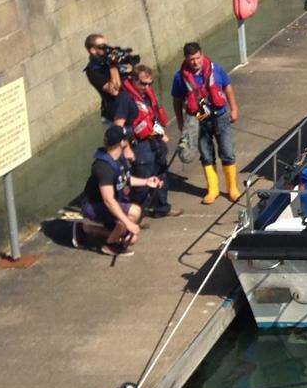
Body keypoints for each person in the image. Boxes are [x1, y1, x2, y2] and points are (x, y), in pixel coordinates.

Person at [171, 42, 241, 204]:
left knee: (227, 151)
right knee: (206, 154)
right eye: (191, 59)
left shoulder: (217, 69)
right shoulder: (179, 77)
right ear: (186, 59)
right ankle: (213, 189)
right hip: (198, 120)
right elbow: (177, 101)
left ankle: (232, 188)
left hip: (220, 116)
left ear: (202, 55)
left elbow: (227, 88)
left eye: (197, 58)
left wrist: (234, 108)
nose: (195, 62)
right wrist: (181, 123)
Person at [78, 125, 159, 256]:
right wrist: (128, 223)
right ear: (121, 142)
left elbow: (125, 179)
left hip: (109, 204)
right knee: (134, 211)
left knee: (131, 239)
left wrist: (147, 182)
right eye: (126, 138)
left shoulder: (118, 158)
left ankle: (86, 229)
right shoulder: (103, 167)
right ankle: (110, 245)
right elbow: (108, 200)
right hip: (94, 205)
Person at [122, 64, 180, 217]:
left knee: (161, 174)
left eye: (149, 83)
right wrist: (126, 147)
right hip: (139, 145)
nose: (146, 87)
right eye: (143, 83)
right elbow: (122, 127)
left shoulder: (146, 94)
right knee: (142, 181)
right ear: (134, 80)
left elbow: (152, 116)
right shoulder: (125, 99)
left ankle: (162, 208)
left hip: (154, 140)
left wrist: (161, 133)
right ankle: (135, 214)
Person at [83, 33, 122, 124]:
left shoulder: (108, 61)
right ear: (93, 50)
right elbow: (114, 91)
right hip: (115, 114)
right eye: (102, 46)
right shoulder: (92, 71)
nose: (107, 48)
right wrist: (113, 66)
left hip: (130, 106)